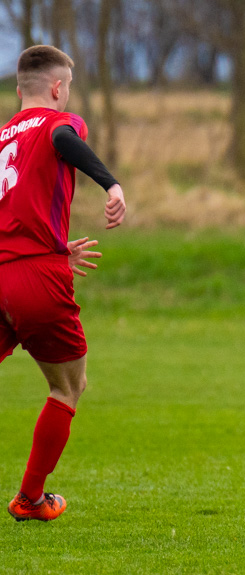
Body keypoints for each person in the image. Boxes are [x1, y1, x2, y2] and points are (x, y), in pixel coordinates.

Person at [1, 45, 126, 522]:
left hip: (5, 267)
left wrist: (53, 243)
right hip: (36, 277)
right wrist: (110, 184)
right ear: (57, 88)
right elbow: (63, 139)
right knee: (67, 388)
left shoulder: (2, 136)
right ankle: (30, 498)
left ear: (18, 91)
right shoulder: (62, 121)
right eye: (66, 87)